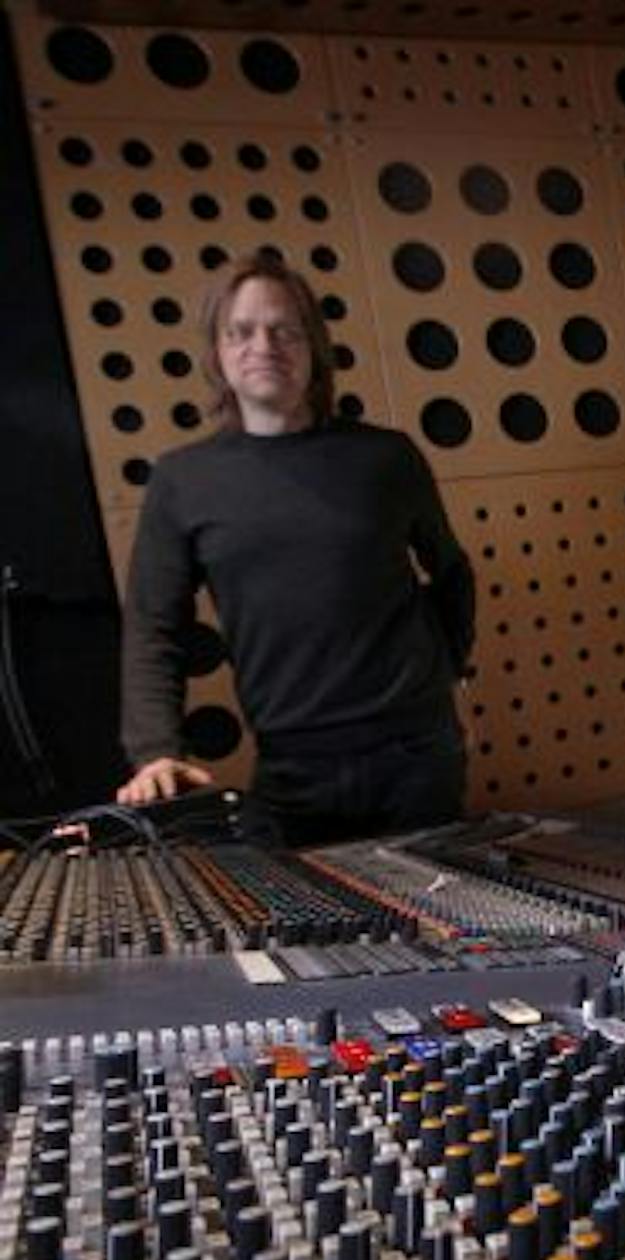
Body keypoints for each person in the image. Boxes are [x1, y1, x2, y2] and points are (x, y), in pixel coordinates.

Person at [117, 253, 474, 845]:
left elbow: (452, 574)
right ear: (217, 352)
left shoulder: (387, 458)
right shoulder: (182, 480)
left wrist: (445, 672)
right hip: (290, 769)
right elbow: (154, 627)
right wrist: (155, 750)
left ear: (313, 348)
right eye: (242, 330)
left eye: (284, 329)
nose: (265, 345)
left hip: (415, 759)